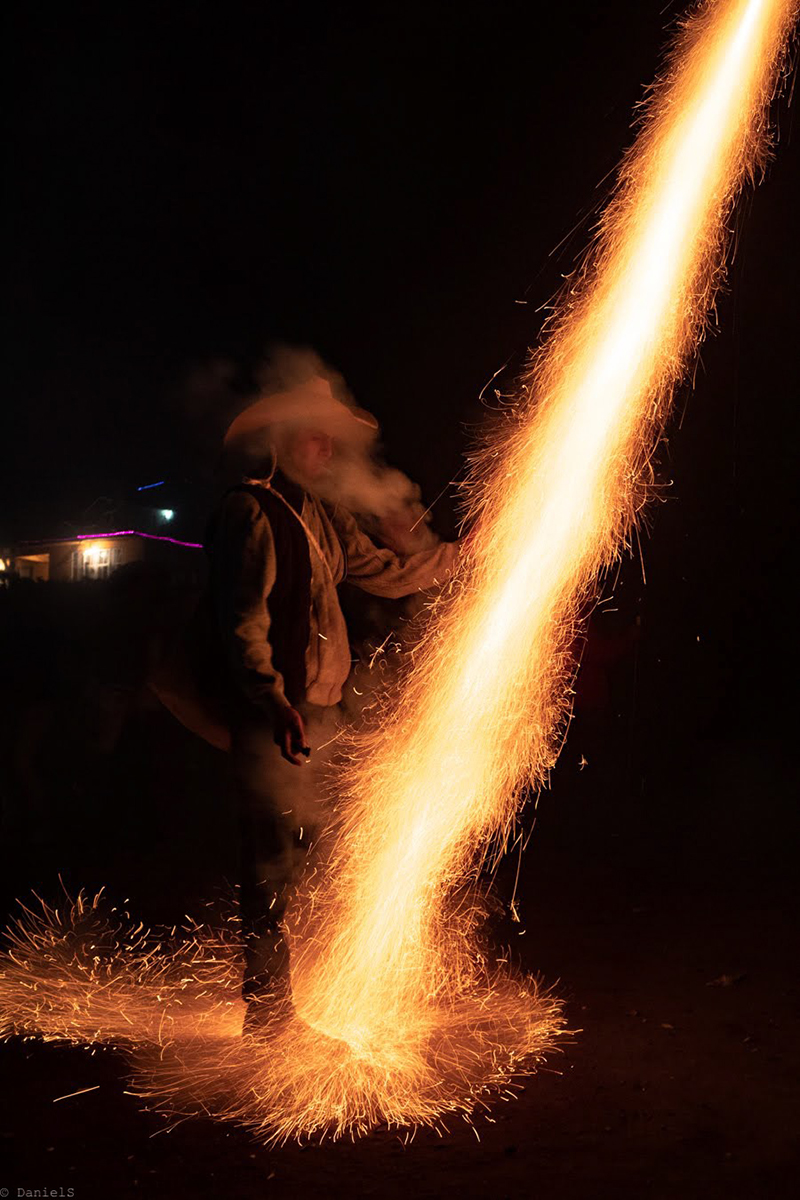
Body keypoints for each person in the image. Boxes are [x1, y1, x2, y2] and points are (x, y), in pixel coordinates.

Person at [205, 371, 459, 1028]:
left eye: (328, 440)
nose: (326, 450)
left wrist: (464, 557)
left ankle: (316, 987)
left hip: (320, 711)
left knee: (320, 850)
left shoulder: (322, 516)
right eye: (314, 438)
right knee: (269, 866)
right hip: (278, 717)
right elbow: (244, 624)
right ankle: (267, 1010)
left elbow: (387, 572)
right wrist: (273, 704)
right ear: (283, 441)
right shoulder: (251, 510)